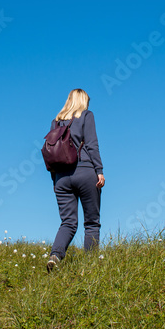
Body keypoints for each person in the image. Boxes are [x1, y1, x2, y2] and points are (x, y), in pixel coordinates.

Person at [46, 88, 105, 272]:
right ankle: (90, 267)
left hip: (61, 178)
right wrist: (99, 170)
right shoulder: (87, 116)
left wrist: (55, 180)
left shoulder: (56, 122)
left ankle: (55, 255)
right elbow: (92, 144)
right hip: (86, 171)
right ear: (83, 101)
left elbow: (50, 152)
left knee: (68, 222)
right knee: (92, 222)